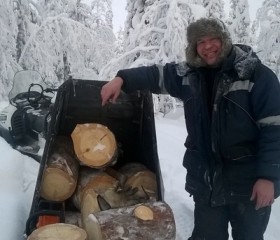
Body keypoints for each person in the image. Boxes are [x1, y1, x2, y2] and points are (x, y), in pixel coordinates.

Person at [100, 17, 280, 240]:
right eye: (200, 42)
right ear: (194, 47)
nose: (207, 46)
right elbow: (156, 75)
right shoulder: (189, 75)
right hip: (207, 183)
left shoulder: (256, 75)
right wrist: (122, 79)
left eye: (213, 39)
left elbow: (275, 130)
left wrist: (268, 177)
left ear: (224, 40)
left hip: (248, 183)